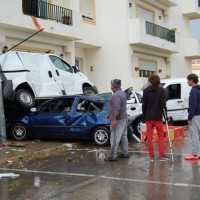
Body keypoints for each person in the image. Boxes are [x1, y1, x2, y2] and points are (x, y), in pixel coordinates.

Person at [142, 74, 169, 161]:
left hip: (149, 117)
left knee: (149, 136)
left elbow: (144, 105)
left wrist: (144, 118)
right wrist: (166, 116)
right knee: (160, 136)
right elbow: (163, 104)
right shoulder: (161, 90)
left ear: (150, 81)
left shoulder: (146, 91)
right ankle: (161, 155)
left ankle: (151, 156)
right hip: (158, 117)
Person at [104, 79, 129, 161]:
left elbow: (117, 109)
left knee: (114, 137)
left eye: (111, 84)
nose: (110, 86)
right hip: (124, 118)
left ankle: (113, 156)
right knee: (123, 136)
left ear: (114, 86)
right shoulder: (122, 93)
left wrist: (114, 120)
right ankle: (125, 153)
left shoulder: (116, 95)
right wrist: (109, 114)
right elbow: (119, 107)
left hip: (118, 119)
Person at [185, 74, 200, 160]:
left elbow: (193, 105)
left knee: (194, 135)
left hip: (195, 115)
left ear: (191, 80)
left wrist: (189, 117)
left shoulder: (193, 91)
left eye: (188, 80)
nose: (187, 82)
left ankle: (194, 154)